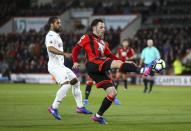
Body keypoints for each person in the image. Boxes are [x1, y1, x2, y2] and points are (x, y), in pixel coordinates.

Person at [72, 19, 157, 124]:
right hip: (93, 64)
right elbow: (76, 49)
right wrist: (75, 61)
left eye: (104, 27)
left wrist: (125, 62)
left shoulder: (103, 42)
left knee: (112, 93)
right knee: (116, 64)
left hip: (98, 68)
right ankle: (142, 69)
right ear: (94, 27)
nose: (104, 29)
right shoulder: (87, 37)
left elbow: (111, 56)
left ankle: (98, 116)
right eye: (101, 27)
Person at [44, 16, 92, 120]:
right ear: (51, 24)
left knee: (75, 81)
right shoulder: (50, 35)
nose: (59, 24)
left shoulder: (57, 35)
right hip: (54, 66)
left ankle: (80, 107)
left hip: (61, 66)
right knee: (66, 85)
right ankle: (53, 107)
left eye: (60, 23)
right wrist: (64, 53)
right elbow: (50, 48)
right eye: (57, 23)